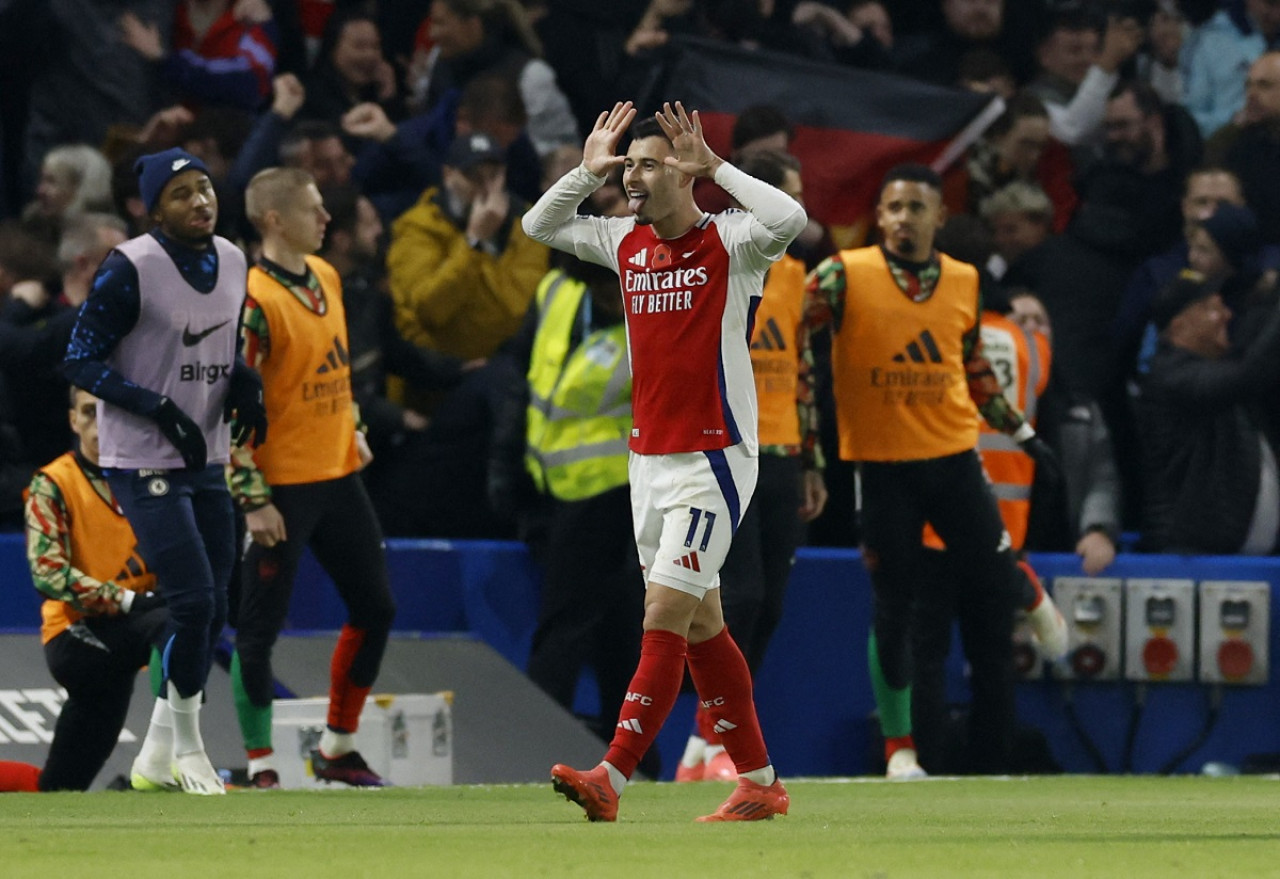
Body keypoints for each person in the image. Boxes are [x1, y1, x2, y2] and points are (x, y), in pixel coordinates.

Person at [522, 100, 806, 822]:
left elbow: (790, 220)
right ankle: (760, 781)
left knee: (665, 612)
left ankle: (610, 778)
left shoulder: (734, 242)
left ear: (683, 172)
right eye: (633, 165)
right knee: (705, 626)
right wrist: (585, 174)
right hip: (648, 463)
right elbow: (540, 226)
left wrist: (720, 168)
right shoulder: (624, 242)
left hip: (714, 459)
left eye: (650, 164)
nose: (636, 178)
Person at [802, 163, 1060, 778]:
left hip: (950, 455)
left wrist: (1024, 433)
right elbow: (787, 330)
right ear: (879, 216)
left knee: (990, 578)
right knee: (895, 610)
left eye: (916, 207)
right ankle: (901, 750)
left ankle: (1027, 590)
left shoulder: (964, 281)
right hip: (882, 466)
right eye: (892, 207)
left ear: (939, 219)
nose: (902, 219)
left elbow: (973, 369)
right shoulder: (844, 275)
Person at [62, 147, 267, 795]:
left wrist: (245, 381)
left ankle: (155, 756)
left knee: (214, 605)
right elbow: (80, 359)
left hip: (205, 452)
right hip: (142, 457)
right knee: (194, 598)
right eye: (181, 193)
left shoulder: (234, 258)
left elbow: (219, 343)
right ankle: (192, 749)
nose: (200, 201)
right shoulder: (132, 267)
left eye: (204, 187)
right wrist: (155, 407)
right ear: (151, 208)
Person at [229, 167, 397, 789]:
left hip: (337, 473)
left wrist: (351, 425)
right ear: (273, 220)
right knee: (258, 629)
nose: (327, 220)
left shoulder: (326, 277)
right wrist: (251, 499)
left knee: (376, 607)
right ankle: (260, 764)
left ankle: (337, 746)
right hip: (281, 487)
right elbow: (231, 404)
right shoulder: (253, 300)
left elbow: (339, 369)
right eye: (314, 209)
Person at [673, 149, 828, 783]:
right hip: (726, 446)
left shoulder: (799, 279)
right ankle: (715, 741)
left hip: (785, 449)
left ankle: (699, 743)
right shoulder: (713, 254)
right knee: (738, 594)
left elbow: (803, 370)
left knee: (768, 606)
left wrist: (813, 460)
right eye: (782, 195)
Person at [488, 254, 645, 751]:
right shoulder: (557, 290)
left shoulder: (654, 322)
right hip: (545, 487)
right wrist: (506, 462)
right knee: (614, 622)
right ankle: (638, 753)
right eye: (599, 288)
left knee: (570, 622)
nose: (606, 299)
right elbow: (523, 373)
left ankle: (535, 745)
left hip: (613, 488)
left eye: (613, 289)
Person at [0, 389, 172, 793]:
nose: (100, 425)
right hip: (77, 633)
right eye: (89, 414)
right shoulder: (54, 483)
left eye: (110, 414)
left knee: (61, 788)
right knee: (172, 626)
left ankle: (140, 777)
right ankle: (171, 755)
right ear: (73, 421)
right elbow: (49, 574)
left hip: (131, 626)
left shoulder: (148, 476)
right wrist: (127, 600)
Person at [1138, 270, 1280, 554]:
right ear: (1179, 325)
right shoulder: (1169, 376)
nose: (1227, 315)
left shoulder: (1215, 369)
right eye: (1212, 308)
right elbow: (1248, 375)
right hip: (1191, 562)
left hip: (1239, 563)